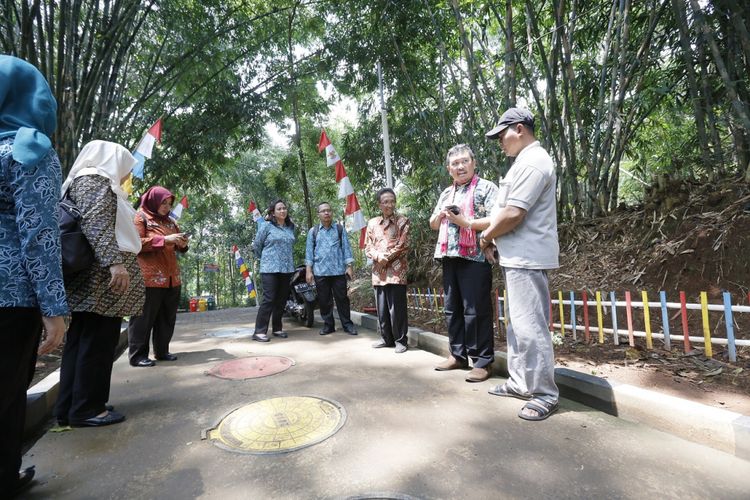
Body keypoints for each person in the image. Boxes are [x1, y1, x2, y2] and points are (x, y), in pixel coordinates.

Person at [0, 55, 68, 498]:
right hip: (11, 296)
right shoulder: (29, 149)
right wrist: (55, 309)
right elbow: (40, 235)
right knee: (6, 394)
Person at [54, 140, 146, 428]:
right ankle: (88, 408)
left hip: (95, 273)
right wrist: (113, 263)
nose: (126, 176)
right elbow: (96, 223)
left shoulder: (85, 180)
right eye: (125, 168)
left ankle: (72, 405)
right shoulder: (95, 178)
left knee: (83, 339)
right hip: (101, 277)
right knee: (98, 340)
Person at [481, 107, 560, 421]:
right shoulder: (521, 164)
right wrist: (483, 231)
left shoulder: (534, 162)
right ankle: (520, 382)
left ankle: (545, 393)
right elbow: (502, 213)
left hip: (527, 257)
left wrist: (486, 236)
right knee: (518, 327)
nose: (500, 142)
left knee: (531, 328)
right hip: (516, 257)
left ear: (519, 129)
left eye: (502, 135)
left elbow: (514, 214)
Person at [429, 144, 498, 383]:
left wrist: (465, 221)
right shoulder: (447, 193)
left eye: (464, 161)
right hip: (450, 256)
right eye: (455, 163)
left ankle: (483, 362)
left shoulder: (487, 187)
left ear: (473, 163)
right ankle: (458, 355)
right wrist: (440, 216)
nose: (460, 166)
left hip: (475, 257)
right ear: (449, 169)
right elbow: (433, 224)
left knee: (476, 310)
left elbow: (496, 219)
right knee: (452, 308)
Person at [127, 186, 188, 366]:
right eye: (163, 203)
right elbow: (135, 243)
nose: (166, 207)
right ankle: (137, 355)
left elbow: (180, 248)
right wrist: (164, 240)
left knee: (166, 318)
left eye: (169, 204)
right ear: (153, 201)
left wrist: (182, 243)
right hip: (149, 277)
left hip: (171, 277)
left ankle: (162, 351)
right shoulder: (141, 217)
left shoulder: (170, 222)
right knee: (143, 318)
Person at [365, 188, 410, 353]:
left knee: (397, 308)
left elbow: (403, 245)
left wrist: (386, 257)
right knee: (382, 307)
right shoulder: (372, 223)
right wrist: (378, 256)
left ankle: (401, 341)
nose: (389, 205)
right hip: (378, 272)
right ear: (379, 204)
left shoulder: (402, 221)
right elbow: (367, 247)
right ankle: (386, 338)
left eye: (392, 201)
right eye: (385, 202)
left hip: (397, 272)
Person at [305, 202, 357, 336]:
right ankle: (328, 325)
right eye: (323, 211)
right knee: (324, 300)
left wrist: (349, 266)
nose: (326, 213)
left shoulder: (339, 229)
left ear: (332, 212)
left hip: (338, 271)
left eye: (328, 210)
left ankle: (347, 325)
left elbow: (346, 248)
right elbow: (309, 253)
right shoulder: (313, 231)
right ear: (318, 214)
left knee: (342, 299)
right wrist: (308, 271)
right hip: (320, 272)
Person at [251, 199, 296, 342]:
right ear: (273, 213)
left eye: (284, 208)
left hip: (286, 268)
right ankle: (259, 331)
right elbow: (257, 246)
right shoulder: (266, 226)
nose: (282, 211)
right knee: (269, 299)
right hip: (269, 268)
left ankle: (277, 328)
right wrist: (264, 259)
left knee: (281, 300)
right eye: (279, 209)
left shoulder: (290, 227)